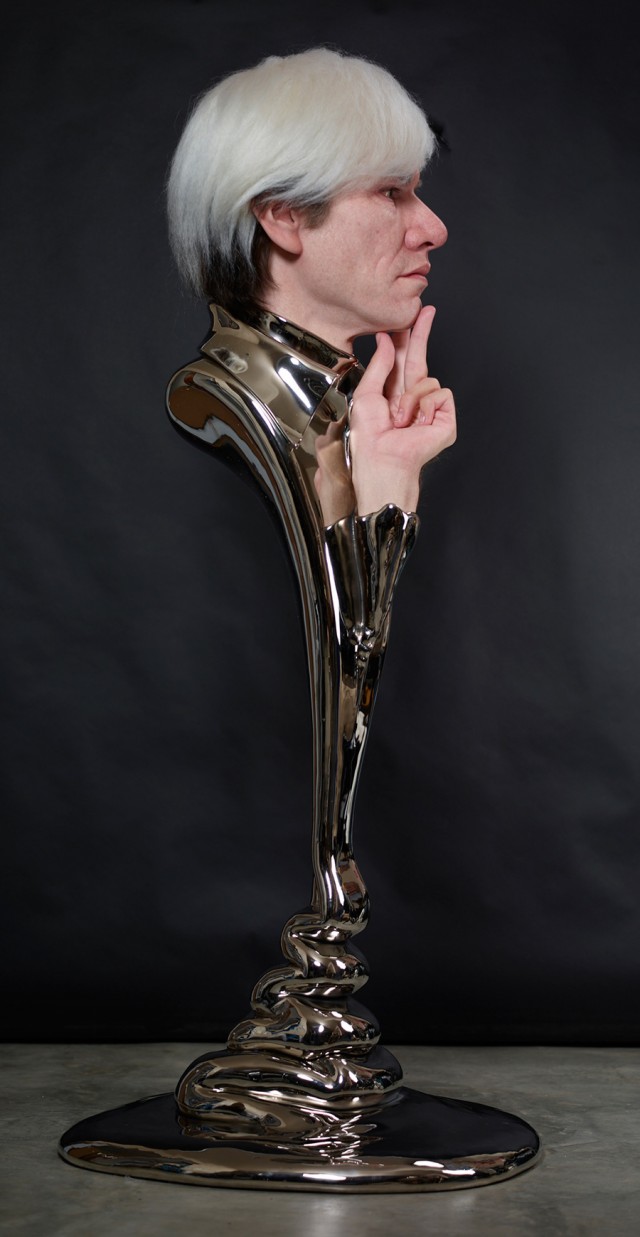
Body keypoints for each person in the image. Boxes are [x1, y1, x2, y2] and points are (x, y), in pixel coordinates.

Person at [165, 48, 457, 1121]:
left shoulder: (340, 413)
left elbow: (356, 667)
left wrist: (388, 490)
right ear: (282, 218)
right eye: (393, 193)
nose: (431, 227)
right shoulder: (227, 404)